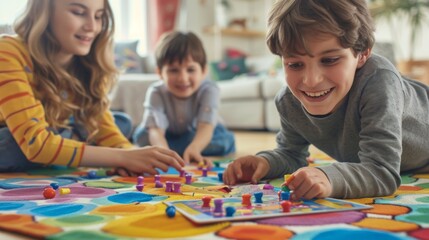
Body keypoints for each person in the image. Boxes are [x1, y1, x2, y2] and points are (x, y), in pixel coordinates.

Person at [223, 0, 429, 199]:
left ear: (363, 53)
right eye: (294, 64)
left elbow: (382, 171)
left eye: (329, 60)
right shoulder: (288, 102)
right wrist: (265, 162)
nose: (311, 81)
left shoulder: (379, 82)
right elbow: (291, 154)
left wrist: (330, 178)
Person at [0, 0, 185, 175]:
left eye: (98, 16)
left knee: (122, 122)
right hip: (16, 136)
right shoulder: (8, 51)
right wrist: (121, 157)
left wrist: (130, 155)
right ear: (44, 11)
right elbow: (35, 143)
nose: (92, 27)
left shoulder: (86, 64)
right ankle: (69, 143)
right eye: (79, 12)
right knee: (12, 144)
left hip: (57, 129)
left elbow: (107, 130)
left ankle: (66, 145)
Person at [133, 31, 235, 167]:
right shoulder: (156, 91)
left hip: (199, 133)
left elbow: (206, 126)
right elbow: (156, 130)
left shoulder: (210, 90)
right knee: (141, 136)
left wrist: (195, 147)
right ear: (159, 73)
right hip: (166, 134)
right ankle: (176, 150)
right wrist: (164, 153)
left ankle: (186, 149)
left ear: (204, 71)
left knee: (222, 141)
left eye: (191, 70)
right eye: (173, 70)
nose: (183, 78)